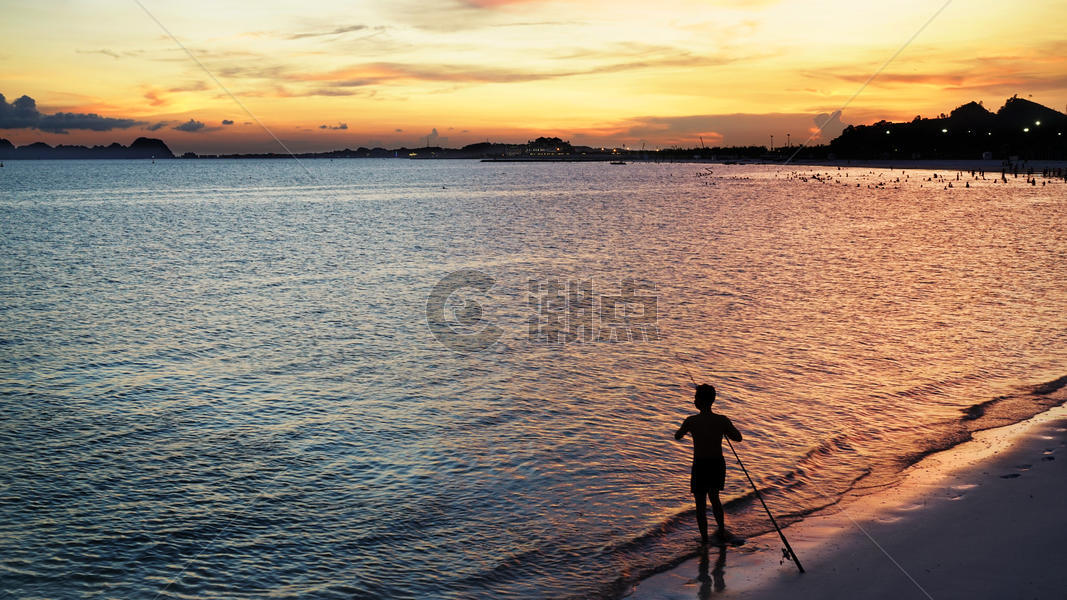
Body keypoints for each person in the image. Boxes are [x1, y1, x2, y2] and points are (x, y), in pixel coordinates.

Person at [674, 383, 742, 544]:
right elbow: (738, 437)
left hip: (700, 465)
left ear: (700, 401)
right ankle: (721, 532)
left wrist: (684, 430)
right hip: (717, 464)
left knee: (700, 503)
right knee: (715, 498)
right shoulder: (722, 420)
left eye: (695, 398)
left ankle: (704, 540)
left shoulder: (691, 421)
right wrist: (725, 430)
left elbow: (678, 436)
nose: (694, 401)